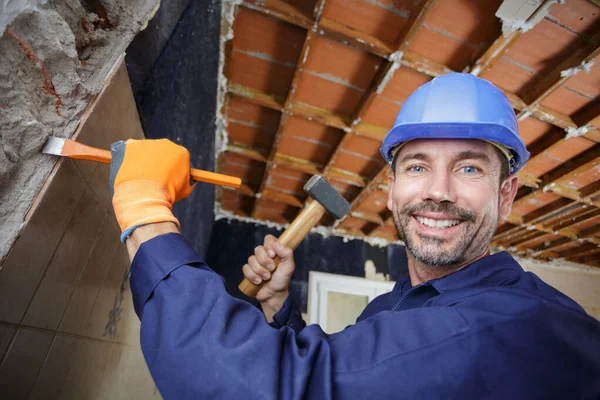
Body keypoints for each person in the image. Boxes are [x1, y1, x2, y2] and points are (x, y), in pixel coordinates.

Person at [110, 73, 600, 399]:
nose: (438, 192)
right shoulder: (392, 308)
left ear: (506, 193)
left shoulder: (516, 325)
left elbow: (272, 386)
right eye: (417, 165)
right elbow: (338, 370)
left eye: (469, 167)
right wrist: (280, 308)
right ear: (392, 189)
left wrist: (144, 208)